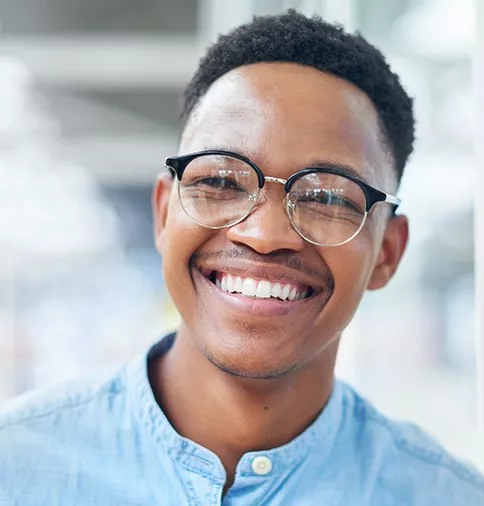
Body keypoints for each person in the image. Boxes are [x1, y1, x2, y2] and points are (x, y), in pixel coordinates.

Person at [1, 10, 483, 505]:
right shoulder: (14, 468)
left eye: (327, 198)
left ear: (387, 252)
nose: (264, 234)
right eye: (221, 181)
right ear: (165, 214)